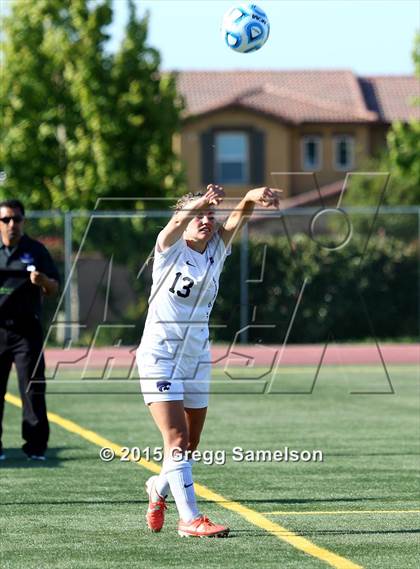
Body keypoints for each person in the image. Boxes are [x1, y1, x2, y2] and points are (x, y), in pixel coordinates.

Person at [136, 184, 281, 537]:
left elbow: (236, 219)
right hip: (160, 354)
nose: (205, 220)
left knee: (190, 444)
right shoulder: (168, 251)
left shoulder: (215, 251)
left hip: (196, 356)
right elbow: (173, 224)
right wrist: (197, 204)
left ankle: (158, 487)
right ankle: (190, 519)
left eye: (208, 216)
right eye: (198, 215)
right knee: (177, 440)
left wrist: (249, 197)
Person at [0, 199, 59, 461]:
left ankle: (35, 447)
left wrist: (43, 280)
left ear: (23, 221)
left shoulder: (35, 251)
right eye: (6, 220)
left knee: (32, 388)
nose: (12, 224)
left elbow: (53, 287)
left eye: (17, 219)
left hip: (27, 330)